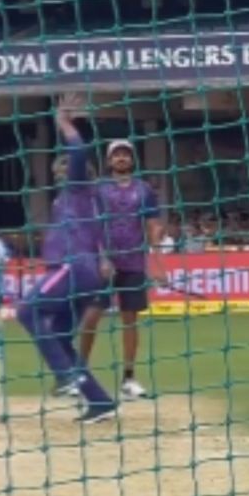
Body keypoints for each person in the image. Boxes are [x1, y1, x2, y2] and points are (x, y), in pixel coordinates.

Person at [13, 102, 118, 425]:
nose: (61, 172)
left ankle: (64, 376)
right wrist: (105, 258)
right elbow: (103, 235)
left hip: (73, 267)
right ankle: (99, 401)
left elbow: (78, 151)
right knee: (59, 337)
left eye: (64, 168)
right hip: (87, 273)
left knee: (26, 311)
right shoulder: (86, 200)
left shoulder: (78, 189)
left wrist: (65, 124)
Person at [79, 138, 161, 400]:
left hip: (134, 263)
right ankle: (79, 374)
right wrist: (101, 257)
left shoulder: (145, 190)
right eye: (117, 155)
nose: (122, 158)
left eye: (126, 154)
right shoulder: (98, 189)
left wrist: (157, 262)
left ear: (132, 159)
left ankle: (128, 379)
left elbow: (152, 226)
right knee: (91, 317)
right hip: (102, 263)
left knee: (130, 320)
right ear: (109, 160)